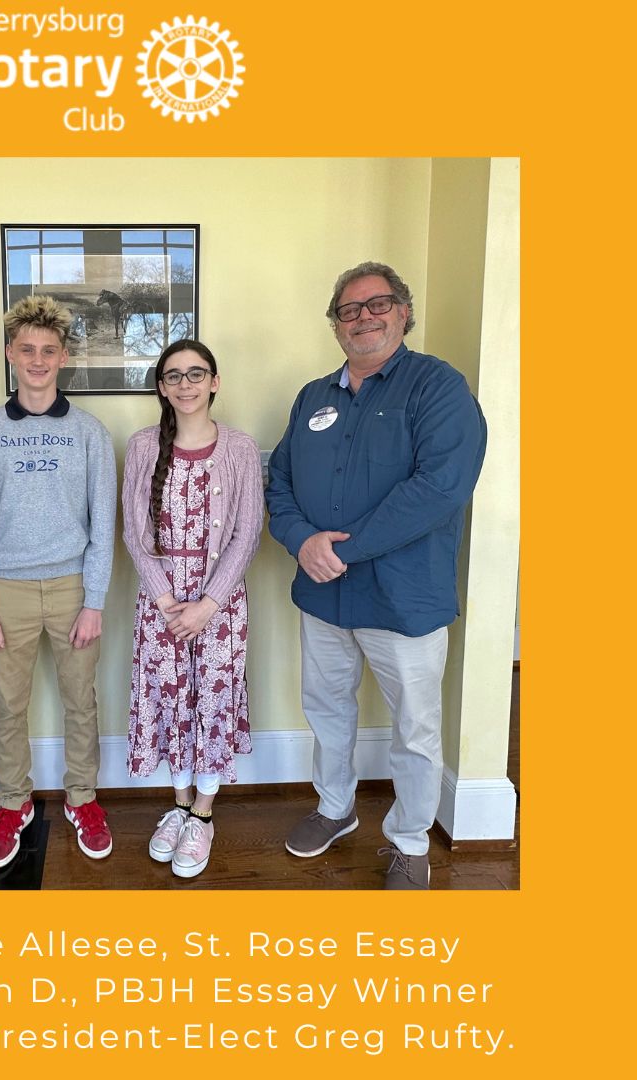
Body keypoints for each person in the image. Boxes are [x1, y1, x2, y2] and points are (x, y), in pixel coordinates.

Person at [266, 261, 487, 890]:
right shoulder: (313, 396)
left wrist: (345, 549)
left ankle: (411, 842)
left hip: (404, 599)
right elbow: (279, 480)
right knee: (326, 708)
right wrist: (301, 540)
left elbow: (440, 488)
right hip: (323, 595)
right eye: (349, 309)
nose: (363, 317)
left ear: (404, 313)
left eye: (378, 304)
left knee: (414, 727)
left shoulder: (437, 387)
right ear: (336, 324)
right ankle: (334, 808)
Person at [0, 295, 117, 870]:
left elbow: (104, 524)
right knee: (9, 705)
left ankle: (83, 798)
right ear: (10, 353)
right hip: (6, 590)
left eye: (48, 350)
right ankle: (13, 803)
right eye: (26, 349)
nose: (37, 360)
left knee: (81, 700)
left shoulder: (89, 432)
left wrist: (94, 601)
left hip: (74, 587)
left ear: (63, 357)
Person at [122, 340, 264, 878]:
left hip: (219, 605)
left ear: (214, 382)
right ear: (162, 387)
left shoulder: (240, 448)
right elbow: (134, 531)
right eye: (174, 376)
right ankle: (179, 805)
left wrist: (207, 604)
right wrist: (166, 601)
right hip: (159, 602)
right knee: (170, 697)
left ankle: (203, 814)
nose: (186, 384)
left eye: (196, 373)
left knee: (213, 698)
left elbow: (248, 532)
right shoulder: (142, 446)